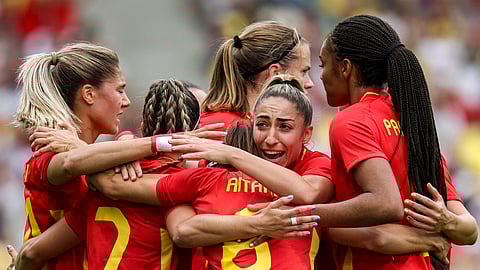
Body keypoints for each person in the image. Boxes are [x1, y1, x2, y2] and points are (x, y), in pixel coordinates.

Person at [12, 79, 318, 270]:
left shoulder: (185, 183)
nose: (270, 137)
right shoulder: (200, 185)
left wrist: (84, 150)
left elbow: (34, 251)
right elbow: (183, 233)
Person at [313, 14, 477, 269]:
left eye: (323, 65)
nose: (320, 76)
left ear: (345, 68)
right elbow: (469, 231)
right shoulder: (413, 118)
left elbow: (385, 204)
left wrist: (303, 214)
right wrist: (447, 224)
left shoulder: (352, 120)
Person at [13, 42, 131, 270]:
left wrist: (127, 138)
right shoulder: (50, 157)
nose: (126, 101)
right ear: (88, 94)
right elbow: (69, 165)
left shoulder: (87, 156)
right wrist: (156, 144)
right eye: (119, 90)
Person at [200, 20, 314, 130]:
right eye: (303, 72)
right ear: (275, 73)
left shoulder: (252, 126)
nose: (310, 83)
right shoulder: (229, 128)